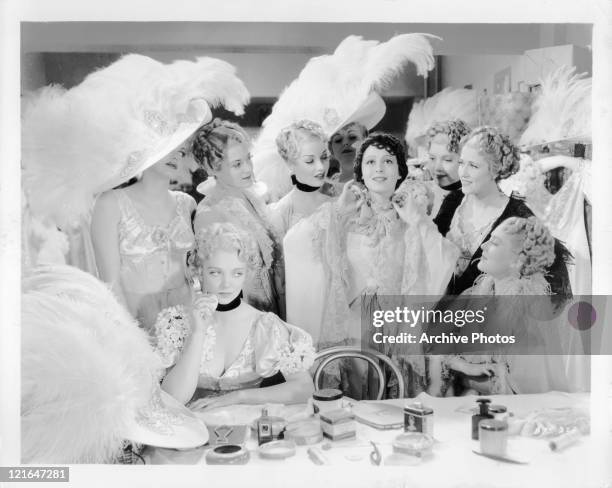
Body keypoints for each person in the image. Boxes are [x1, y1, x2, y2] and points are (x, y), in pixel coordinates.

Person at [22, 54, 250, 335]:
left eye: (180, 150)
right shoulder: (111, 204)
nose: (175, 156)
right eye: (166, 147)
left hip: (190, 323)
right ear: (144, 147)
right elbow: (111, 283)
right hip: (138, 326)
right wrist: (135, 338)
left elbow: (200, 270)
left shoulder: (187, 204)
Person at [284, 133, 459, 397]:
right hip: (354, 324)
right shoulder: (340, 212)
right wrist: (339, 213)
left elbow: (444, 259)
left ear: (400, 170)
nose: (379, 168)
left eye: (388, 161)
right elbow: (295, 242)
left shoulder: (411, 215)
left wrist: (418, 222)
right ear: (360, 172)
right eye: (370, 162)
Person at [252, 33, 437, 202]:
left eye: (353, 137)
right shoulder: (319, 189)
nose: (346, 144)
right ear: (330, 148)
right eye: (338, 139)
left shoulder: (388, 181)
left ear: (365, 138)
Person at [154, 223, 315, 409]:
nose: (226, 284)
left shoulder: (265, 325)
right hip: (193, 428)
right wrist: (198, 333)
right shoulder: (176, 322)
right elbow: (172, 399)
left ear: (246, 274)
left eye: (237, 273)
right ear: (199, 271)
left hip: (250, 429)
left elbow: (304, 388)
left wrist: (238, 397)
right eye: (215, 273)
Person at [428, 216, 571, 396]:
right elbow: (432, 344)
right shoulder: (474, 296)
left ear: (518, 260)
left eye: (494, 243)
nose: (483, 246)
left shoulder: (530, 314)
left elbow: (525, 394)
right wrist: (463, 366)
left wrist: (463, 376)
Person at [444, 126, 571, 298]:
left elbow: (557, 286)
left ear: (495, 170)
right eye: (461, 163)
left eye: (473, 166)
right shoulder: (453, 201)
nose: (463, 173)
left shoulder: (518, 217)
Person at [192, 119, 284, 318]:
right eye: (237, 164)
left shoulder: (249, 195)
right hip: (243, 311)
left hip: (272, 303)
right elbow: (215, 282)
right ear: (211, 167)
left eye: (248, 158)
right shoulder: (210, 212)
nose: (248, 169)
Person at [270, 120, 334, 236]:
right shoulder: (281, 213)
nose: (321, 167)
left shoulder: (337, 202)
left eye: (324, 157)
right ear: (290, 163)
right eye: (310, 161)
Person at [424, 119, 472, 236]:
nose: (437, 167)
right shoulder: (425, 192)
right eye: (432, 158)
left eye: (447, 160)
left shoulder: (470, 200)